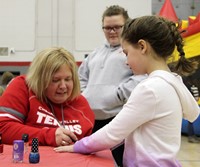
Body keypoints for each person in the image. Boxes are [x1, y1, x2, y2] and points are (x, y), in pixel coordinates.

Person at [54, 16, 200, 167]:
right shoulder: (173, 83)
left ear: (142, 47)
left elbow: (112, 133)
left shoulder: (150, 89)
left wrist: (76, 146)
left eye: (126, 53)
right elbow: (192, 112)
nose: (126, 61)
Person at [78, 5, 146, 166]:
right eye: (107, 28)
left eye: (117, 27)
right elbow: (81, 76)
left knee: (120, 162)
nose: (112, 31)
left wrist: (117, 95)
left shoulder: (134, 51)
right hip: (91, 121)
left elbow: (142, 77)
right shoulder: (95, 53)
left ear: (127, 26)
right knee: (92, 163)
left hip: (118, 120)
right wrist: (85, 95)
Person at [0, 47, 94, 147]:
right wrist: (48, 136)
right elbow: (3, 128)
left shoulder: (80, 103)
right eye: (55, 80)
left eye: (68, 79)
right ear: (40, 79)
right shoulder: (23, 87)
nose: (63, 86)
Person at [183, 73, 200, 143]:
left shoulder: (193, 84)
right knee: (191, 121)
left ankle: (192, 135)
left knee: (191, 121)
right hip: (191, 104)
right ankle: (191, 136)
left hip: (195, 104)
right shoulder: (188, 85)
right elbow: (190, 94)